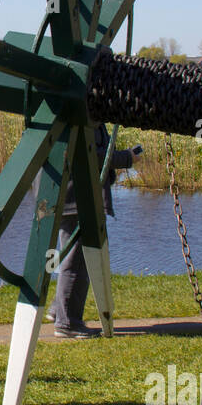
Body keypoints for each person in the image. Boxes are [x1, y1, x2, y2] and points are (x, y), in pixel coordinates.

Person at [50, 127, 141, 338]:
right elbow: (88, 154)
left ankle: (59, 310)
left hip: (65, 193)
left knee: (71, 255)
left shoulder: (67, 110)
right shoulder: (80, 114)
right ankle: (67, 323)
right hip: (76, 195)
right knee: (78, 259)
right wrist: (127, 157)